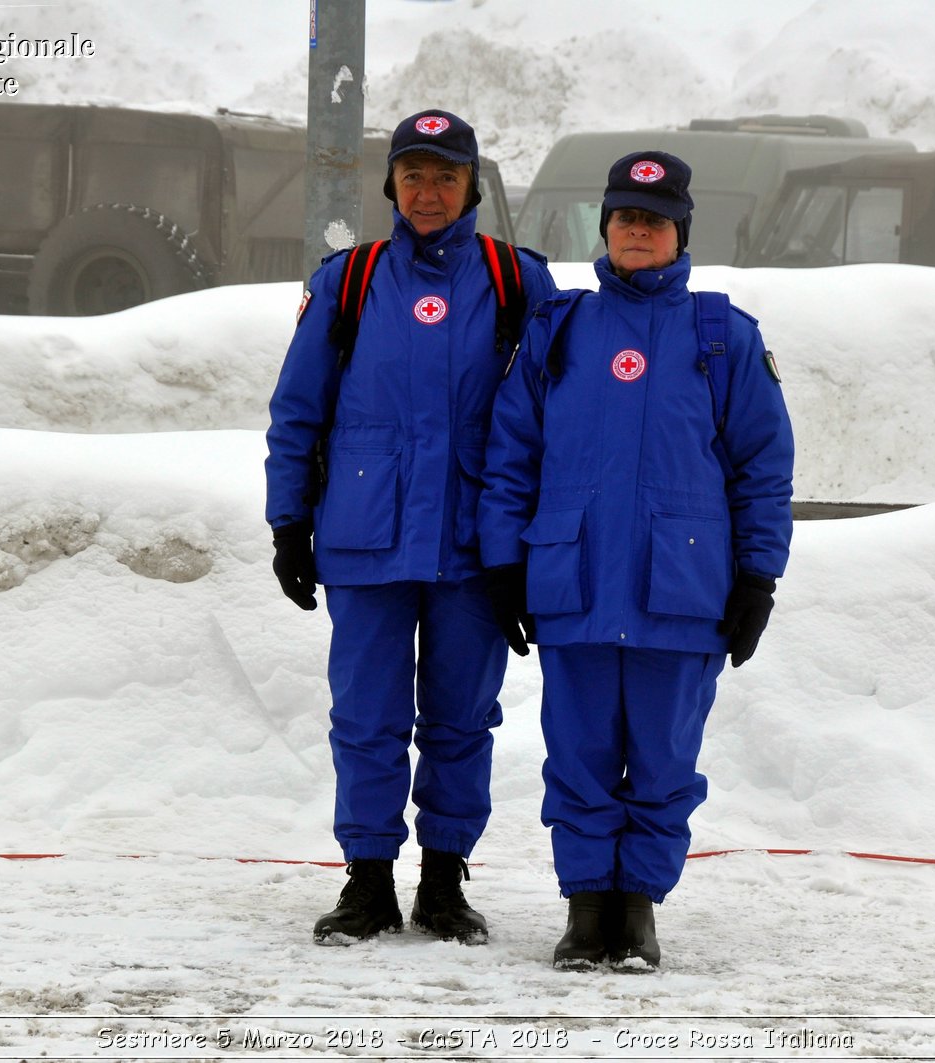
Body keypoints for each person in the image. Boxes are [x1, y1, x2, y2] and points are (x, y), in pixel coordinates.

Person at [479, 151, 793, 969]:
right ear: (606, 229)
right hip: (572, 583)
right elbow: (511, 456)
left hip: (680, 593)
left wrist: (759, 575)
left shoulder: (724, 336)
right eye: (624, 218)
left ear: (679, 232)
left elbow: (763, 469)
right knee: (578, 754)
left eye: (653, 220)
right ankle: (588, 910)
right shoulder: (561, 330)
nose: (637, 231)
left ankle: (638, 910)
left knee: (661, 760)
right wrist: (505, 562)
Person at [264, 109, 556, 946]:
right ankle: (367, 882)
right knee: (367, 715)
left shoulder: (518, 281)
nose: (429, 192)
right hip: (365, 539)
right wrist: (289, 520)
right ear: (391, 183)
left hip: (475, 547)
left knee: (463, 718)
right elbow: (297, 413)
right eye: (414, 174)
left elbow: (554, 416)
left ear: (473, 186)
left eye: (447, 175)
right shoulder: (347, 283)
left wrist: (540, 541)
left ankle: (441, 882)